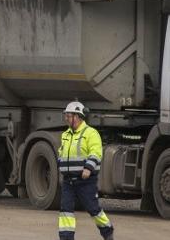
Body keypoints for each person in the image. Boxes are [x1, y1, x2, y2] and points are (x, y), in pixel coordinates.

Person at [57, 101, 114, 240]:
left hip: (86, 180)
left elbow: (95, 152)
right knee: (66, 212)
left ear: (77, 116)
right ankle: (66, 238)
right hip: (68, 181)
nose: (66, 118)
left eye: (68, 115)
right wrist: (60, 163)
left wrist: (88, 168)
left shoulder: (90, 133)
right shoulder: (65, 134)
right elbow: (61, 152)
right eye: (66, 115)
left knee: (93, 209)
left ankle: (107, 231)